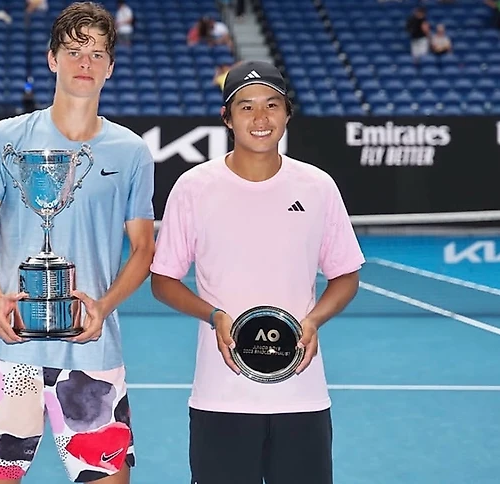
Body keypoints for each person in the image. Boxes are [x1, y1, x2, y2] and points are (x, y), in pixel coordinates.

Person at [0, 3, 156, 483]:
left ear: (110, 67)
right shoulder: (6, 139)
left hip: (91, 351)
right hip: (9, 348)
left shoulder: (131, 152)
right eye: (73, 51)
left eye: (97, 54)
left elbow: (143, 249)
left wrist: (103, 306)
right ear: (52, 59)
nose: (85, 63)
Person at [150, 61, 365, 484]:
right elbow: (163, 281)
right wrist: (214, 315)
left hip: (301, 396)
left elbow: (345, 274)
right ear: (227, 118)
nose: (260, 118)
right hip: (220, 397)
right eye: (246, 107)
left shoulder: (318, 186)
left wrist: (314, 320)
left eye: (272, 105)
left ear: (287, 114)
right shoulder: (193, 187)